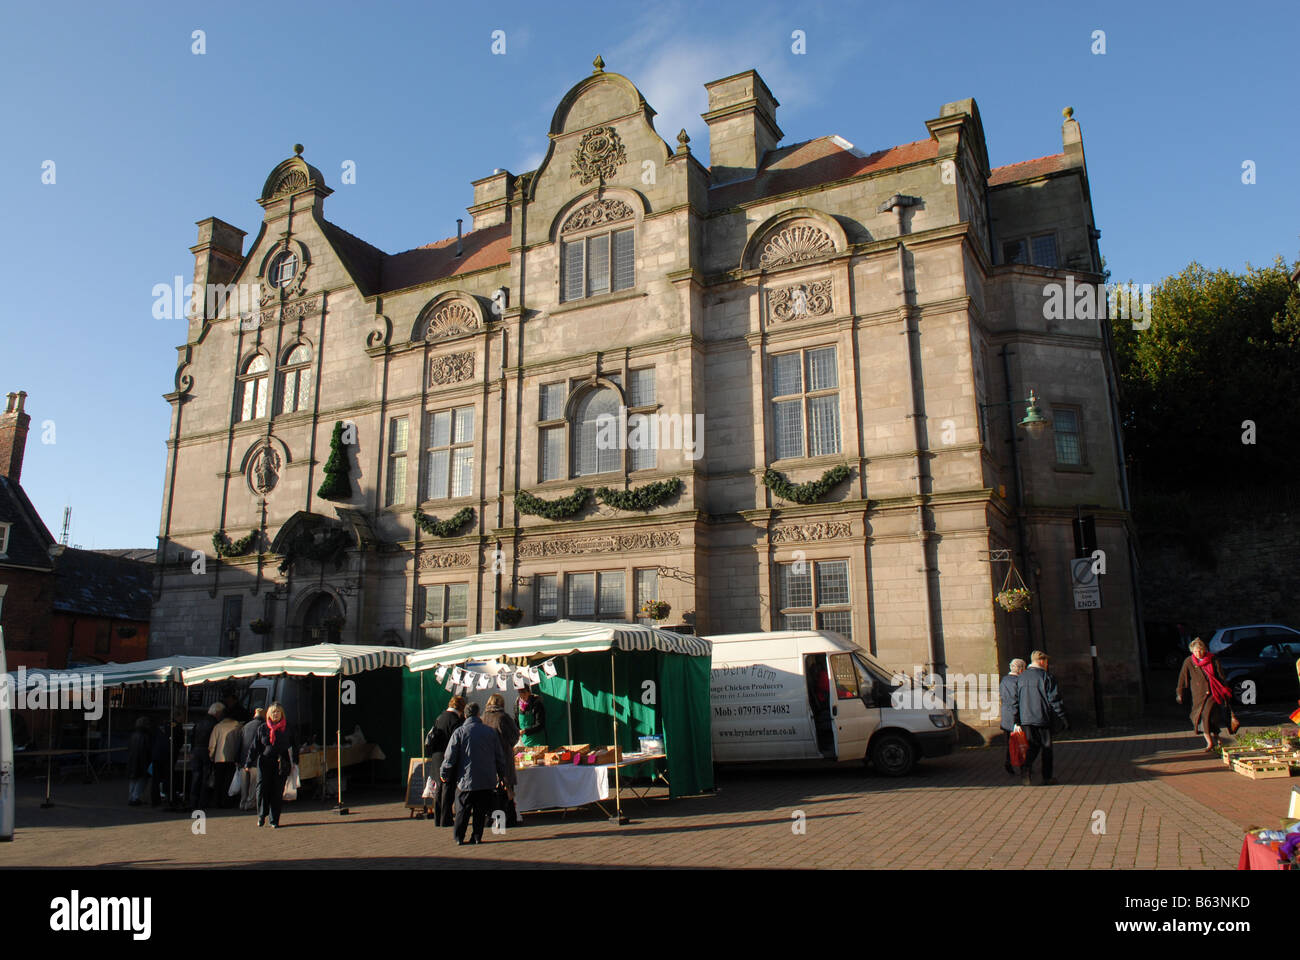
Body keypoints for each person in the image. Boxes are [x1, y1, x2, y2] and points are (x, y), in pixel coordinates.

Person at [440, 701, 508, 845]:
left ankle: (459, 836)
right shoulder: (490, 732)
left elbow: (450, 757)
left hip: (466, 779)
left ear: (465, 715)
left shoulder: (459, 732)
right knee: (480, 810)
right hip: (486, 779)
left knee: (462, 810)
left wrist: (444, 773)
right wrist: (502, 774)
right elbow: (499, 756)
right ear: (478, 714)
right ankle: (477, 836)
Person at [1013, 650, 1068, 786]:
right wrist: (1062, 717)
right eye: (1046, 661)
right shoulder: (1046, 677)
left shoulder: (1020, 677)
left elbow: (1015, 700)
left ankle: (1026, 768)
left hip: (1026, 718)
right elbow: (1054, 699)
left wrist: (1017, 719)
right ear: (1042, 661)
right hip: (1042, 717)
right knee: (1046, 747)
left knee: (1032, 745)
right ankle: (1047, 777)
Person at [244, 701, 297, 828]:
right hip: (265, 761)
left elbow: (295, 744)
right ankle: (262, 815)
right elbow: (254, 746)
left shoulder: (288, 727)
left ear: (282, 714)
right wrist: (248, 762)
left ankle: (274, 820)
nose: (276, 714)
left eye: (278, 712)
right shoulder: (262, 728)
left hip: (281, 762)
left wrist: (295, 761)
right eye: (273, 712)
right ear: (269, 714)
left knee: (277, 791)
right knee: (262, 789)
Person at [1176, 637, 1233, 752]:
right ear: (1192, 651)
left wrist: (1225, 688)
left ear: (1204, 649)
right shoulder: (1188, 661)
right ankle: (1216, 738)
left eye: (1200, 650)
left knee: (1206, 715)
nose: (1198, 653)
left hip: (1213, 692)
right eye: (1196, 651)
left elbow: (1220, 675)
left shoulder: (1213, 659)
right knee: (1203, 718)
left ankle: (1210, 743)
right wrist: (1180, 693)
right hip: (1198, 694)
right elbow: (1183, 678)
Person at [424, 696, 466, 826]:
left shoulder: (440, 717)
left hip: (436, 756)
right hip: (447, 757)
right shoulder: (455, 720)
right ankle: (446, 818)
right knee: (448, 788)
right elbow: (456, 742)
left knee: (439, 788)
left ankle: (438, 818)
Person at [481, 693, 521, 826]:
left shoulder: (483, 718)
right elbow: (514, 736)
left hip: (487, 758)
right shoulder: (503, 717)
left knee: (490, 789)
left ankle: (491, 818)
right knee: (506, 787)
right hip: (503, 756)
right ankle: (507, 819)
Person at [190, 702, 223, 811]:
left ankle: (193, 801)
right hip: (207, 751)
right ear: (217, 712)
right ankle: (202, 802)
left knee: (196, 776)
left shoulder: (199, 721)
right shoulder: (215, 724)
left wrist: (192, 750)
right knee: (206, 777)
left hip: (196, 750)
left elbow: (192, 737)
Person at [209, 708, 244, 809]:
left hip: (219, 758)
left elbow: (212, 744)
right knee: (229, 781)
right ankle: (227, 801)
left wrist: (212, 756)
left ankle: (217, 801)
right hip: (233, 758)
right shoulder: (238, 726)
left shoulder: (218, 726)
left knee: (218, 781)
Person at [999, 659, 1026, 776]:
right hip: (1016, 715)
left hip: (1006, 715)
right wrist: (1017, 719)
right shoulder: (1017, 681)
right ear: (1020, 669)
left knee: (1010, 741)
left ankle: (1009, 761)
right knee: (1020, 741)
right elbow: (1015, 700)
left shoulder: (1004, 680)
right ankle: (1021, 764)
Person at [239, 708, 266, 811]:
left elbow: (240, 743)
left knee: (244, 784)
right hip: (256, 760)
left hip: (243, 760)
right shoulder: (264, 726)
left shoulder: (246, 726)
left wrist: (238, 759)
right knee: (254, 784)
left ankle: (242, 803)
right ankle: (250, 803)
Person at [150, 717, 179, 807]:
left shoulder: (158, 728)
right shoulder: (175, 726)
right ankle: (169, 797)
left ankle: (155, 799)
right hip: (167, 755)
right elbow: (177, 741)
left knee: (156, 779)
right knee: (168, 777)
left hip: (157, 755)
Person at [126, 717, 153, 806]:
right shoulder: (146, 736)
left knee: (133, 780)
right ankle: (135, 797)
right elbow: (148, 750)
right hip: (142, 760)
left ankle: (132, 797)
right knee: (141, 780)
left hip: (132, 759)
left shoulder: (133, 735)